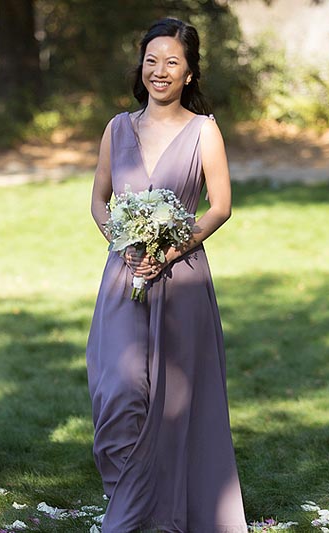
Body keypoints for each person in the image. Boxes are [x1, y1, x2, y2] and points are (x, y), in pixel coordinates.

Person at [86, 18, 248, 532]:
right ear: (142, 67)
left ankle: (163, 513)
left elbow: (220, 206)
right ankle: (130, 500)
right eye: (152, 60)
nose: (160, 71)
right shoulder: (117, 128)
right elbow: (98, 199)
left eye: (172, 61)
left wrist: (173, 248)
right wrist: (124, 240)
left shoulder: (204, 131)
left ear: (189, 73)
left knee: (177, 403)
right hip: (124, 278)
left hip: (182, 283)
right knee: (119, 392)